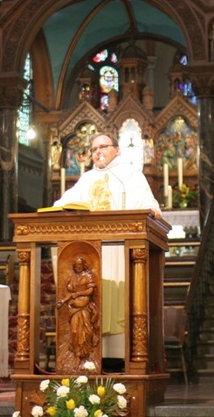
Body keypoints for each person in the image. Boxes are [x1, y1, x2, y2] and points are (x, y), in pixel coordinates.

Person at [53, 132, 162, 366]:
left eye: (103, 147)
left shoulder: (130, 174)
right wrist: (57, 209)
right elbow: (66, 201)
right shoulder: (88, 178)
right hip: (92, 254)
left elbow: (145, 199)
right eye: (93, 149)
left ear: (117, 149)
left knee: (118, 300)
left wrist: (150, 207)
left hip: (117, 252)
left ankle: (120, 359)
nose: (98, 152)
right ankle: (90, 357)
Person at [56, 256, 101, 363]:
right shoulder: (71, 277)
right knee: (75, 331)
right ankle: (77, 355)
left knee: (87, 331)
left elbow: (90, 290)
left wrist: (79, 293)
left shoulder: (88, 276)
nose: (78, 267)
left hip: (85, 308)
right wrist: (62, 302)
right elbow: (70, 294)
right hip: (74, 309)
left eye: (80, 265)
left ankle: (87, 355)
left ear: (83, 265)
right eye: (76, 265)